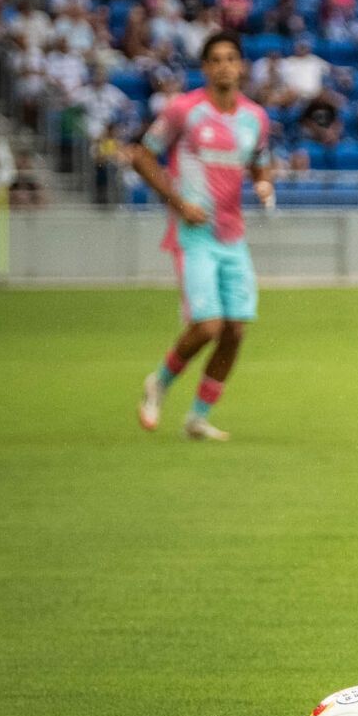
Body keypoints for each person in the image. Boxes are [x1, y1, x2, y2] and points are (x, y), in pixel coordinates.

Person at [127, 33, 275, 442]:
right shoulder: (184, 110)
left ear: (241, 66)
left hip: (232, 236)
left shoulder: (255, 118)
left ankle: (197, 417)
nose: (225, 66)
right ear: (206, 68)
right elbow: (141, 155)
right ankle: (158, 383)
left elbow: (260, 163)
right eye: (216, 60)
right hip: (194, 234)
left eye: (232, 58)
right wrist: (177, 202)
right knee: (208, 325)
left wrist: (264, 185)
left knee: (236, 330)